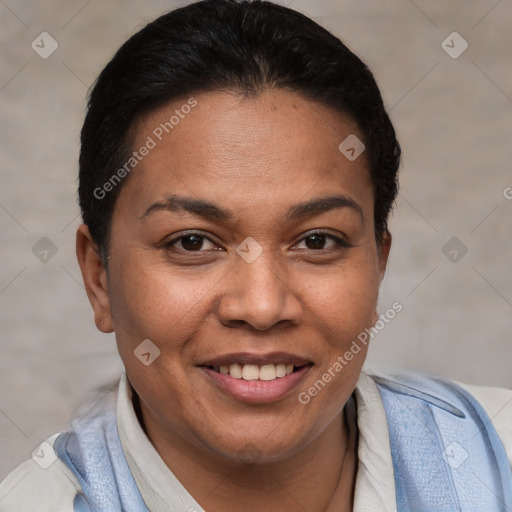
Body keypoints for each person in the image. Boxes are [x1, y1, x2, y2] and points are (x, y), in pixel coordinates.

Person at [1, 1, 511, 510]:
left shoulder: (497, 458)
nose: (263, 307)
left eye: (317, 241)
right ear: (99, 278)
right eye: (192, 242)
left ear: (379, 265)